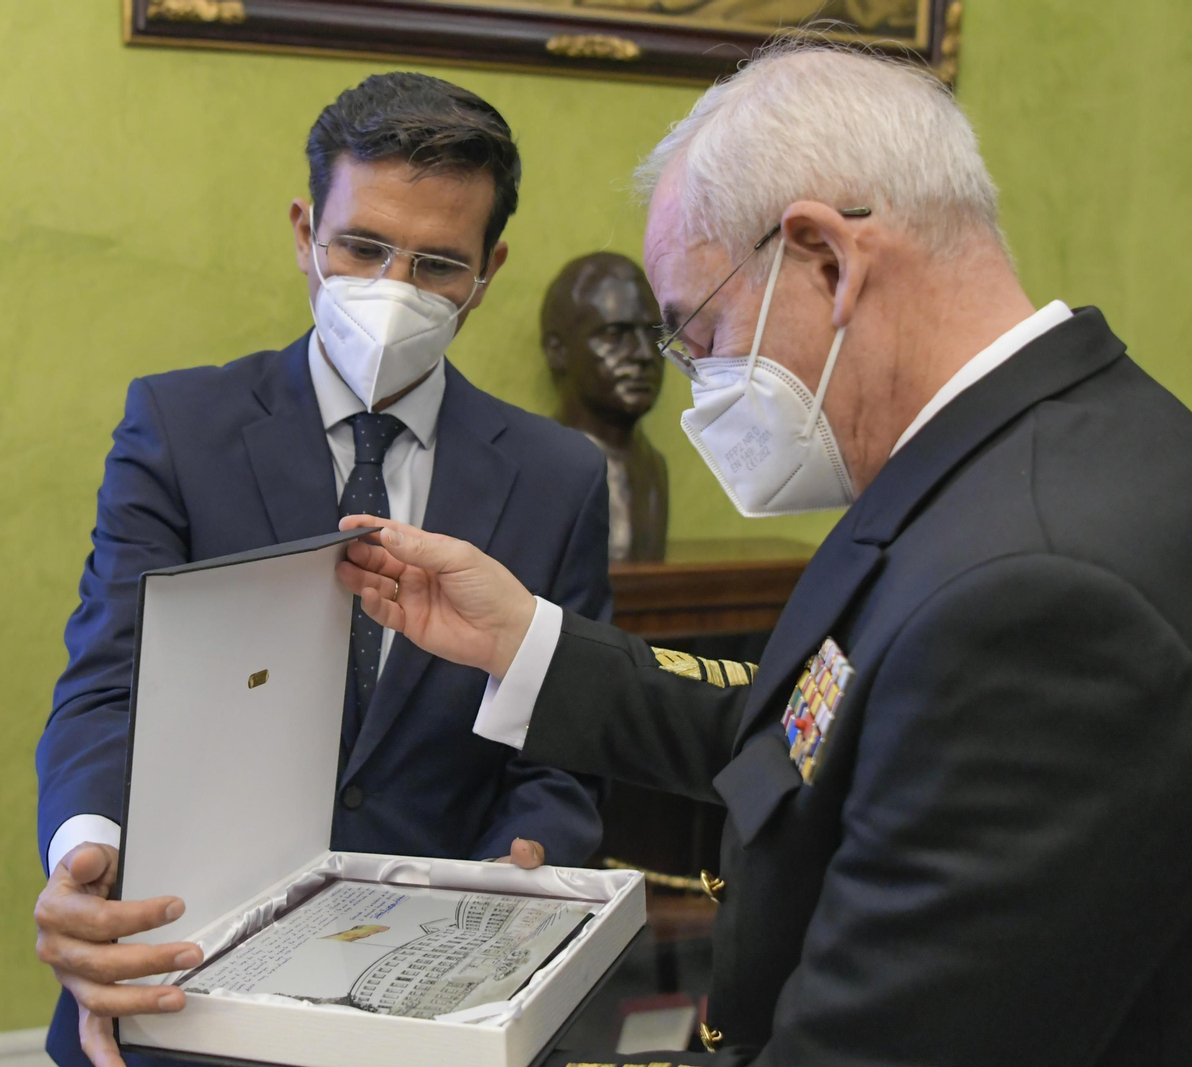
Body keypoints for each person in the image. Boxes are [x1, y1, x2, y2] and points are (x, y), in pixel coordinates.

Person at [336, 43, 1192, 1066]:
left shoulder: (1035, 591)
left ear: (826, 259)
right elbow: (816, 739)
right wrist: (523, 641)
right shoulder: (1033, 452)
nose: (697, 381)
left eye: (697, 331)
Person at [33, 73, 612, 1067]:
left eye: (437, 263)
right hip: (185, 983)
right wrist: (89, 852)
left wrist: (520, 875)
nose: (394, 287)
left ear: (488, 270)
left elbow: (563, 749)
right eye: (362, 247)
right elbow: (108, 684)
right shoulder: (179, 430)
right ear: (306, 232)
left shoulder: (558, 476)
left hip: (440, 1003)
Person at [542, 252, 669, 560]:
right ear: (557, 351)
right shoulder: (539, 470)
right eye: (615, 335)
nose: (644, 354)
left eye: (654, 335)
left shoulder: (654, 467)